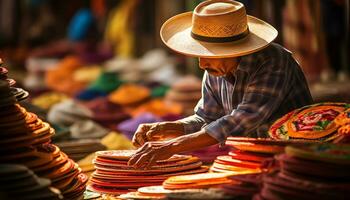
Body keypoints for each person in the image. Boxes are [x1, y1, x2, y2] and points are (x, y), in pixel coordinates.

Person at [128, 0, 313, 168]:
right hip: (252, 157)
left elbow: (243, 118)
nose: (202, 64)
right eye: (200, 54)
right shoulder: (216, 67)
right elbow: (207, 117)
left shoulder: (273, 61)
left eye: (209, 54)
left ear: (237, 50)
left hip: (296, 158)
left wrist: (171, 146)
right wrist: (168, 128)